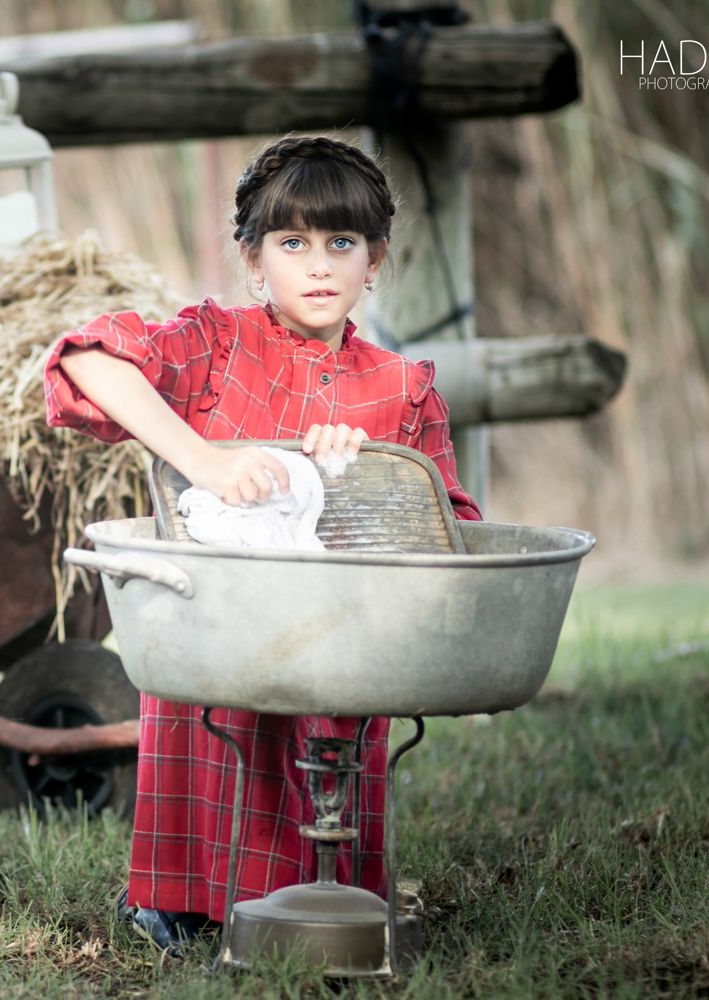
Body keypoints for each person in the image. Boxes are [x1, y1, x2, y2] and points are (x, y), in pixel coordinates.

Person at [41, 133, 481, 955]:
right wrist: (203, 459)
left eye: (341, 243)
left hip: (341, 639)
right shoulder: (214, 346)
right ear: (254, 262)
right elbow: (86, 359)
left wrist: (363, 476)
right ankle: (175, 903)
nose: (319, 265)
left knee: (323, 745)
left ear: (374, 260)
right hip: (218, 629)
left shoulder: (401, 386)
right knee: (217, 714)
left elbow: (452, 530)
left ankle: (322, 897)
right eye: (292, 243)